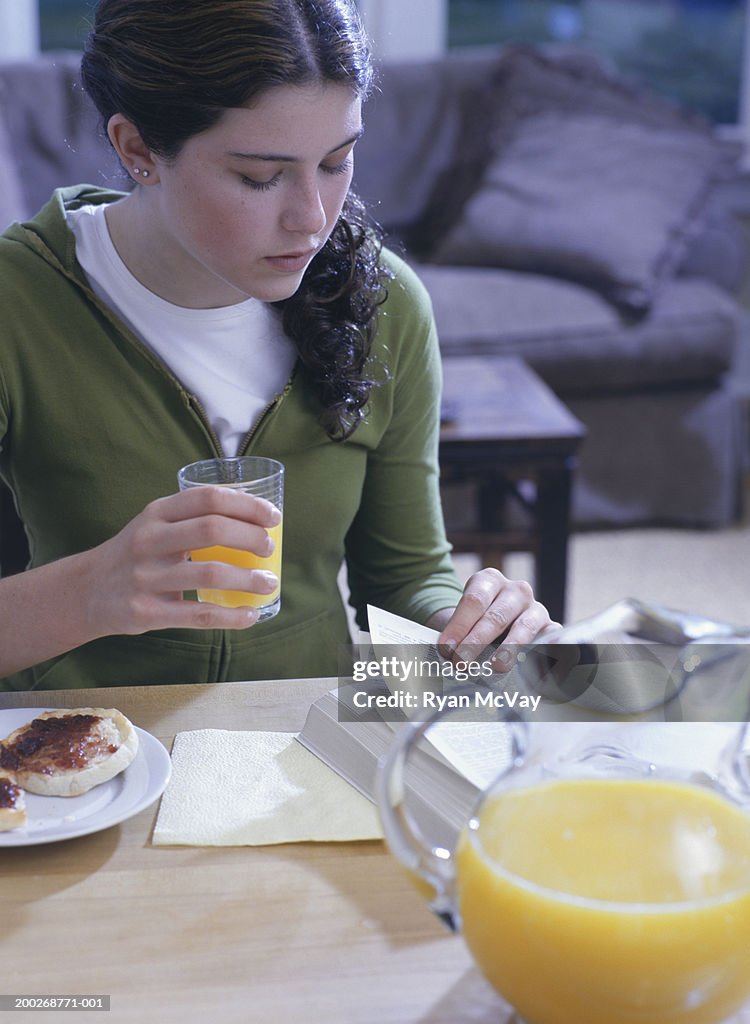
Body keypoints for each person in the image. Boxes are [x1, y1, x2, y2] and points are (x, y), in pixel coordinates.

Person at [0, 0, 556, 691]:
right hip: (78, 760)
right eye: (259, 177)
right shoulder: (17, 302)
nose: (312, 218)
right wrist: (89, 591)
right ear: (137, 149)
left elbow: (407, 577)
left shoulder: (389, 305)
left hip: (304, 741)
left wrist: (474, 624)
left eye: (336, 162)